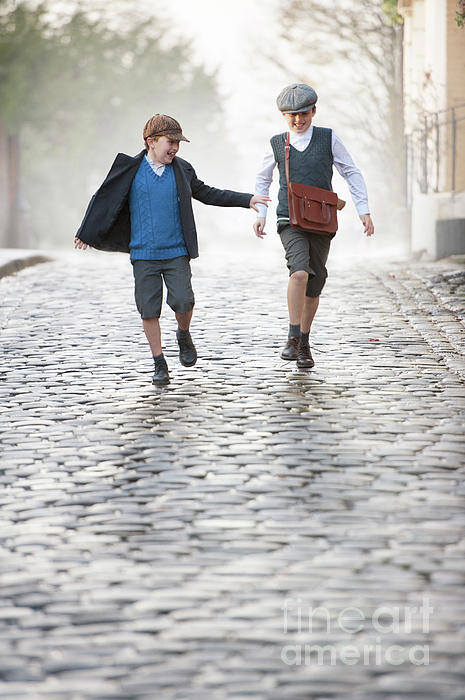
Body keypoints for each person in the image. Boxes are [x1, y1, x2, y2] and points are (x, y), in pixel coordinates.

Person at [75, 114, 269, 385]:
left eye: (179, 142)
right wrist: (86, 232)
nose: (176, 147)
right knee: (148, 310)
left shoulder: (182, 170)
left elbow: (207, 193)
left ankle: (183, 333)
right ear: (151, 142)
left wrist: (246, 199)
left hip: (177, 252)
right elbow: (104, 199)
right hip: (143, 254)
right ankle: (159, 362)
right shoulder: (130, 170)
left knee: (184, 301)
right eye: (171, 141)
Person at [253, 83, 374, 369]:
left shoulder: (328, 138)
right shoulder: (276, 143)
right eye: (291, 115)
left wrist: (363, 209)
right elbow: (262, 179)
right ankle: (293, 336)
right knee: (299, 272)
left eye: (303, 113)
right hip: (289, 219)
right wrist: (260, 212)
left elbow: (351, 172)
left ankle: (305, 342)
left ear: (313, 111)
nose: (298, 120)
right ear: (283, 115)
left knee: (315, 282)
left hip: (322, 219)